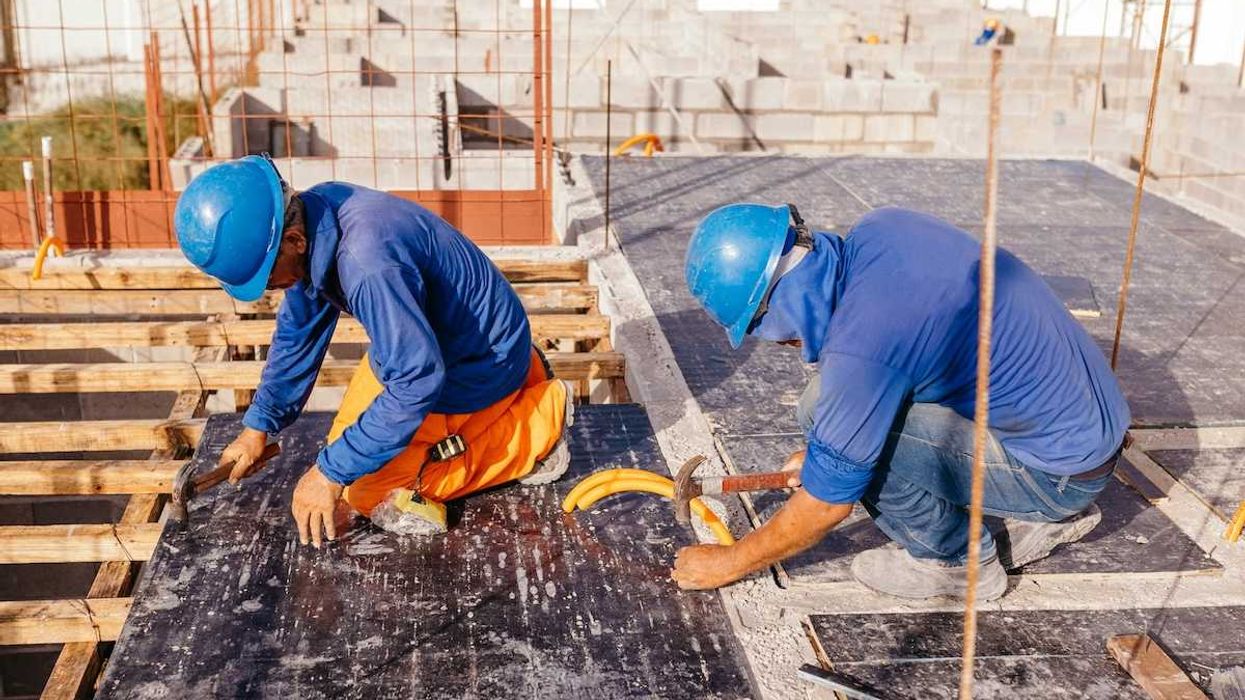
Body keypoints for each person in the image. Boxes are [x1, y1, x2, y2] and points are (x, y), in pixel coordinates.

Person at [670, 204, 1129, 601]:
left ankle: (954, 563)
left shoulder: (864, 349)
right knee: (833, 425)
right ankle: (1031, 517)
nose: (780, 344)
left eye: (762, 329)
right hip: (1086, 433)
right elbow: (908, 358)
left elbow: (826, 506)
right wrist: (825, 452)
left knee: (827, 421)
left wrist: (729, 561)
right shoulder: (881, 229)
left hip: (1058, 472)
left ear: (776, 303)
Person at [173, 155, 573, 546]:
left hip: (476, 364)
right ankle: (526, 376)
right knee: (347, 452)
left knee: (371, 492)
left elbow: (416, 383)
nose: (265, 289)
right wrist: (258, 427)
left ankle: (539, 423)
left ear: (293, 240)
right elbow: (299, 333)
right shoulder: (317, 213)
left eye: (264, 277)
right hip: (427, 346)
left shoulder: (367, 264)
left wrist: (329, 475)